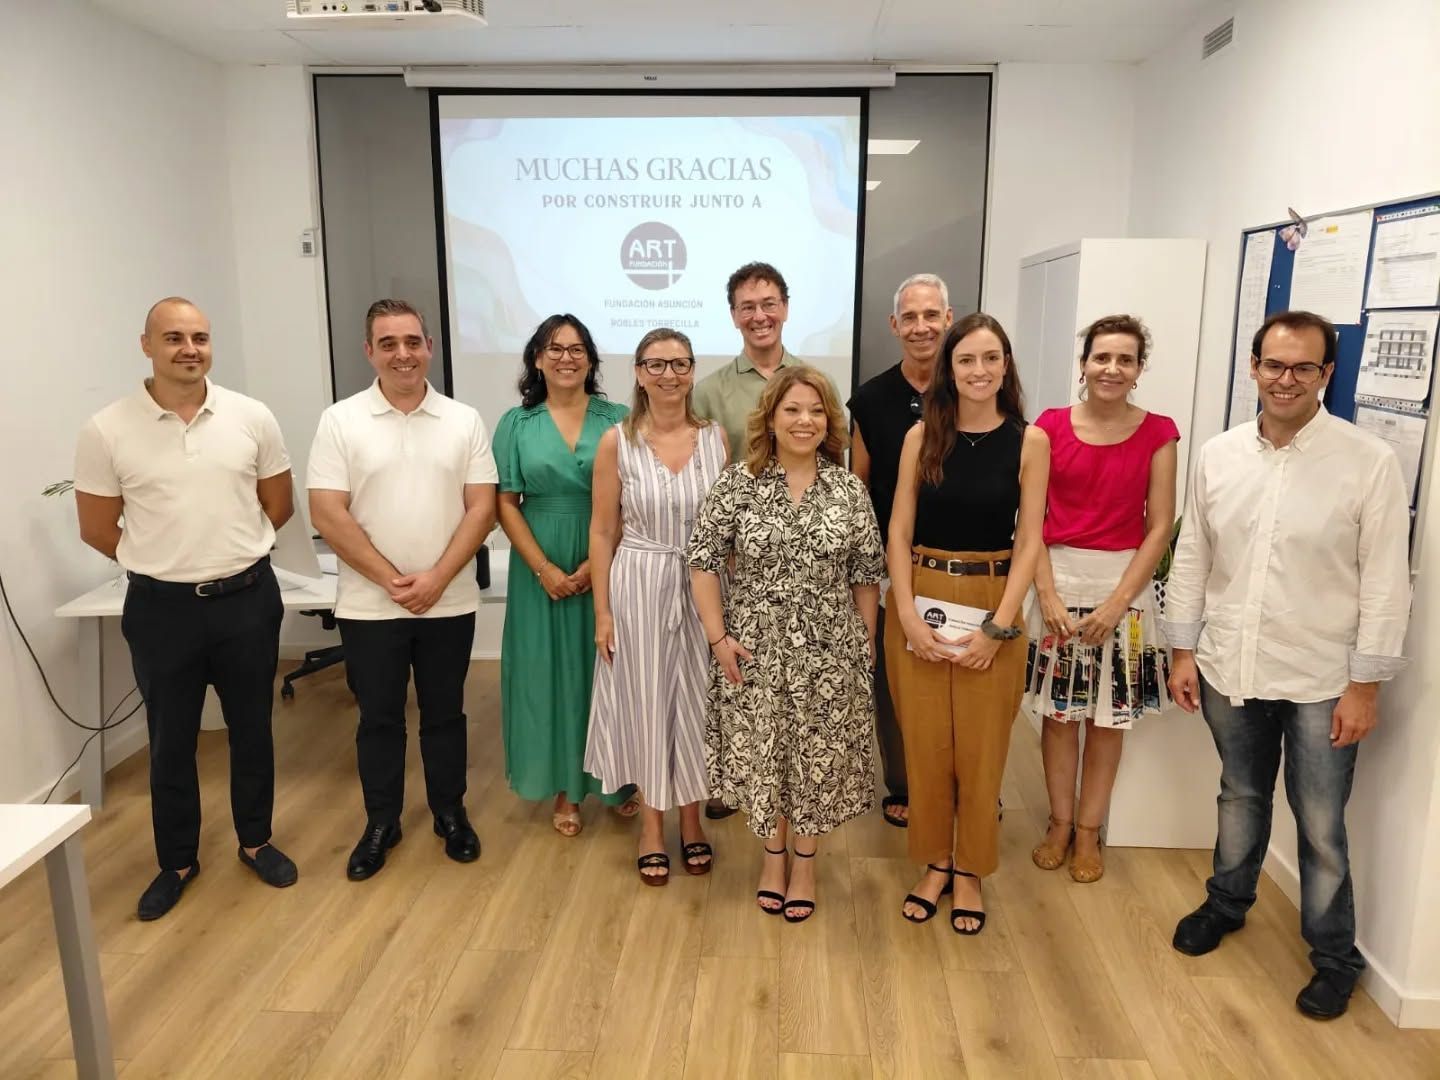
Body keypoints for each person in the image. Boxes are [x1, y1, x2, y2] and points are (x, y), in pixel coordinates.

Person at [1163, 310, 1411, 1021]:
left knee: (1321, 822)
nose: (1286, 379)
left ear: (1327, 374)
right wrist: (1182, 648)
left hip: (1322, 677)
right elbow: (1194, 555)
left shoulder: (1368, 462)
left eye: (1304, 367)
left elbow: (1385, 583)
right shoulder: (1219, 455)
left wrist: (1364, 686)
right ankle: (1226, 903)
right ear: (1254, 367)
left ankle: (1335, 959)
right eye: (1274, 364)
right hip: (1230, 663)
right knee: (1240, 794)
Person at [74, 296, 297, 920]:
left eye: (199, 337)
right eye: (173, 337)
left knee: (252, 730)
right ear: (146, 345)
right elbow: (97, 528)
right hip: (162, 610)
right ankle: (176, 860)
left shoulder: (251, 416)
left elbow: (277, 505)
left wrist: (226, 553)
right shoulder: (107, 429)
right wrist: (166, 561)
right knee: (170, 741)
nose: (189, 349)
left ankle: (256, 841)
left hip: (247, 600)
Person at [308, 299, 498, 881]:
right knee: (379, 720)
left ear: (429, 348)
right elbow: (327, 512)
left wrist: (436, 578)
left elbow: (482, 507)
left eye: (413, 342)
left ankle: (450, 814)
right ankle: (381, 823)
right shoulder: (340, 421)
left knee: (445, 715)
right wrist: (391, 579)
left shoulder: (463, 420)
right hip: (369, 605)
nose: (403, 354)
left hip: (449, 600)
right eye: (388, 343)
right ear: (370, 351)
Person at [687, 365, 883, 922]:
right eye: (792, 409)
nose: (805, 420)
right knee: (766, 754)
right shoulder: (737, 482)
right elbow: (702, 561)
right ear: (770, 417)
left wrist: (865, 645)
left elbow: (866, 574)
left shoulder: (847, 489)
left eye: (817, 410)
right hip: (756, 650)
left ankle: (806, 864)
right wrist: (718, 638)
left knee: (816, 760)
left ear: (830, 421)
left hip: (830, 651)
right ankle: (773, 859)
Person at [885, 313, 1049, 934]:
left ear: (1005, 365)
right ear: (948, 370)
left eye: (990, 358)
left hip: (993, 598)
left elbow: (1029, 542)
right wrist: (905, 613)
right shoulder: (920, 437)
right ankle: (936, 862)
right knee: (926, 746)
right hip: (921, 592)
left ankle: (971, 869)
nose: (979, 371)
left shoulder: (1030, 441)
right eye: (966, 360)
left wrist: (998, 628)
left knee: (982, 751)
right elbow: (898, 531)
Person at [1026, 315, 1179, 884]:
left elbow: (1159, 527)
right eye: (1102, 357)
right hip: (1058, 581)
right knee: (1059, 717)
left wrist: (1117, 604)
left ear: (1139, 369)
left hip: (1124, 589)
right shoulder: (1048, 427)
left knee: (1108, 720)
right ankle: (1059, 823)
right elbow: (1030, 520)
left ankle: (1090, 832)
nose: (1112, 368)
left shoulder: (1159, 433)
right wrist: (1047, 594)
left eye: (1125, 359)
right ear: (1084, 364)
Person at [586, 328, 728, 885]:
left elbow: (727, 529)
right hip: (640, 582)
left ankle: (692, 821)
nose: (669, 374)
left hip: (704, 585)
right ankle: (651, 827)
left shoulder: (716, 439)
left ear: (692, 371)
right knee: (646, 702)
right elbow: (603, 531)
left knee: (696, 703)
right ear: (639, 373)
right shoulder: (616, 442)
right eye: (656, 364)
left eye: (680, 363)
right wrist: (603, 613)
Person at [496, 314, 635, 836]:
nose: (566, 358)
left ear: (591, 360)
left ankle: (616, 781)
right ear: (537, 359)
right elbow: (505, 502)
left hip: (610, 553)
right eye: (554, 348)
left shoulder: (619, 418)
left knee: (608, 671)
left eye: (577, 349)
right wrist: (545, 568)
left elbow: (634, 498)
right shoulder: (516, 423)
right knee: (547, 674)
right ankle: (565, 787)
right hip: (540, 565)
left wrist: (596, 564)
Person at [849, 273, 954, 829]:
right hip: (894, 558)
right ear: (894, 325)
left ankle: (966, 781)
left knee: (960, 675)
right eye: (910, 317)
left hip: (964, 556)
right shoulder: (870, 398)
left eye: (931, 315)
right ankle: (904, 782)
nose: (921, 327)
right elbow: (859, 484)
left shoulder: (972, 387)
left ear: (948, 319)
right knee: (895, 679)